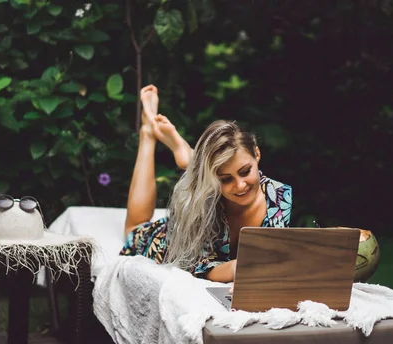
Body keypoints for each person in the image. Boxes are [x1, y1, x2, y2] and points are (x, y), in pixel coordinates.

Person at [120, 85, 292, 283]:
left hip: (206, 178)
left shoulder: (279, 196)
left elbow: (271, 259)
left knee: (206, 171)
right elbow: (198, 266)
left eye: (245, 172)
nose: (240, 185)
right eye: (226, 179)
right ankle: (148, 133)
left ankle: (190, 159)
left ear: (257, 154)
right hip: (171, 239)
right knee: (133, 229)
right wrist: (239, 269)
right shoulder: (202, 201)